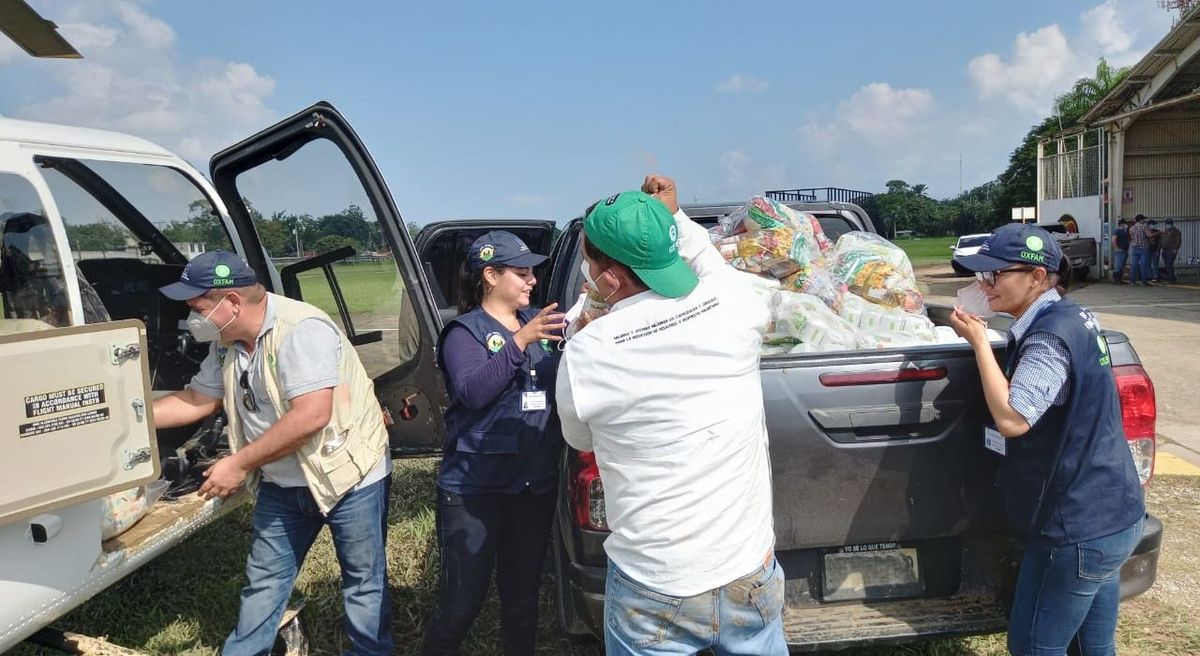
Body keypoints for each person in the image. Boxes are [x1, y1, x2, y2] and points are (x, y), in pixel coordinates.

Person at [557, 176, 786, 656]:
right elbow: (707, 261)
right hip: (749, 567)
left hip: (654, 584)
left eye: (589, 263)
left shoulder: (588, 352)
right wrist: (673, 216)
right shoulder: (735, 300)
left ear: (608, 279)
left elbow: (580, 440)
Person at [151, 251, 394, 656]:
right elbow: (198, 399)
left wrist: (238, 463)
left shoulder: (301, 331)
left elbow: (311, 415)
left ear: (231, 303)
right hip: (282, 480)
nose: (193, 318)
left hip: (348, 476)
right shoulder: (227, 342)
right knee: (264, 582)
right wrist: (128, 417)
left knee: (363, 584)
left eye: (198, 308)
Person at [949, 224, 1145, 656]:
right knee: (1093, 647)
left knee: (1034, 647)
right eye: (982, 274)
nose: (985, 284)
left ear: (1037, 277)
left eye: (996, 274)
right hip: (1115, 513)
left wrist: (980, 343)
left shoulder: (1048, 338)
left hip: (1077, 529)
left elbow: (1012, 418)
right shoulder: (1074, 317)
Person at [421, 232, 566, 656]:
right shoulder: (464, 333)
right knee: (460, 604)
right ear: (490, 276)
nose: (532, 281)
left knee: (522, 599)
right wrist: (520, 342)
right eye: (521, 273)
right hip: (476, 490)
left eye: (532, 273)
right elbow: (473, 392)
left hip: (532, 486)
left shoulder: (539, 322)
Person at [1127, 214, 1151, 286]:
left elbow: (1130, 237)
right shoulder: (1144, 226)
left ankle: (1132, 281)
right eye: (1143, 219)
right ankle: (1144, 282)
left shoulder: (1131, 228)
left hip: (1134, 248)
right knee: (1143, 265)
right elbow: (1149, 235)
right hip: (1143, 248)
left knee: (1134, 265)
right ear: (1141, 220)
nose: (1144, 221)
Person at [1161, 219, 1182, 284]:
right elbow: (1162, 239)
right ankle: (1172, 278)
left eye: (1169, 224)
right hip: (1165, 250)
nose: (1168, 225)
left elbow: (1178, 241)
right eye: (1167, 224)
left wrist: (1175, 249)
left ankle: (1170, 279)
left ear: (1172, 224)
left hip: (1171, 250)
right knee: (1167, 265)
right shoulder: (1166, 230)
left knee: (1169, 264)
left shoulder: (1176, 231)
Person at [1110, 219, 1130, 285]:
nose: (1126, 225)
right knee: (1118, 265)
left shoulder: (1124, 231)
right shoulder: (1118, 230)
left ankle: (1119, 280)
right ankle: (1116, 280)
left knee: (1121, 265)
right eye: (1125, 224)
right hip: (1120, 250)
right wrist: (1116, 248)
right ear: (1122, 224)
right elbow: (1113, 239)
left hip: (1124, 250)